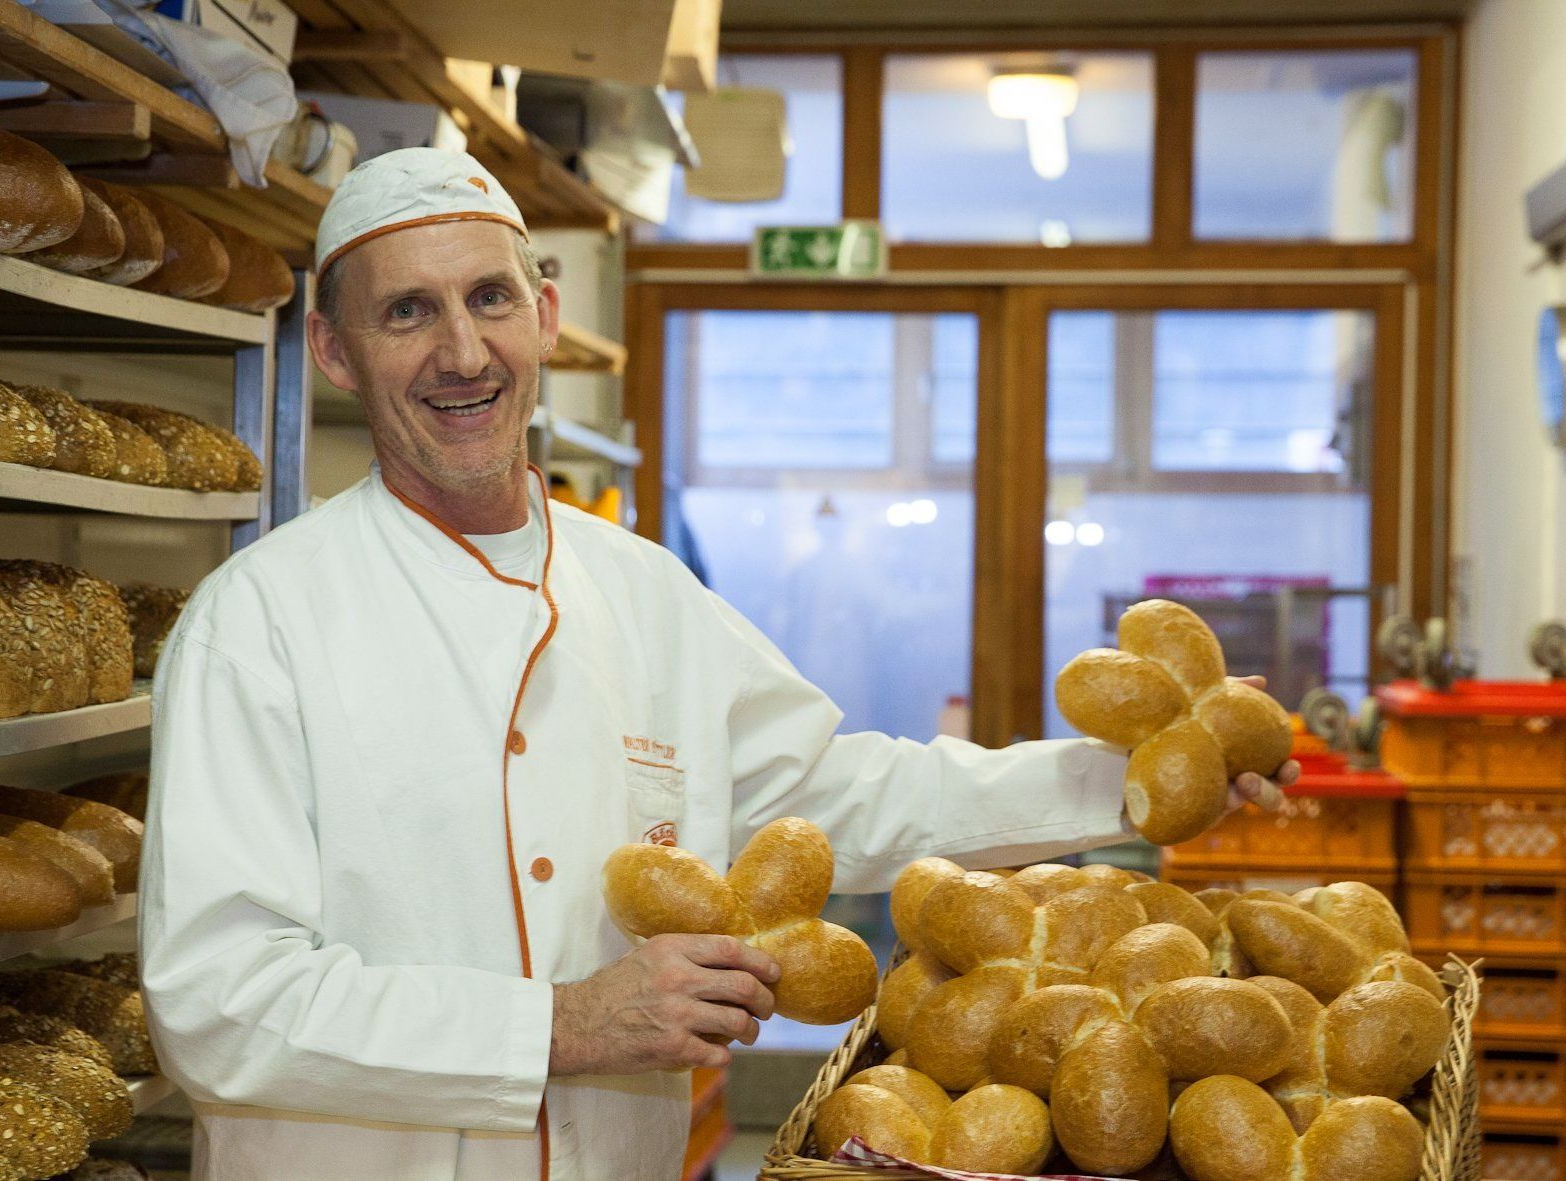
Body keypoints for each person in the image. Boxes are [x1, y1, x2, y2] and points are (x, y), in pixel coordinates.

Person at [138, 148, 1297, 1181]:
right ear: (336, 351)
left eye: (489, 297)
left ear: (542, 312)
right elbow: (218, 1002)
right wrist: (557, 1026)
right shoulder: (261, 622)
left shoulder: (643, 593)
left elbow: (845, 793)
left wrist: (1129, 774)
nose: (461, 350)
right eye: (406, 313)